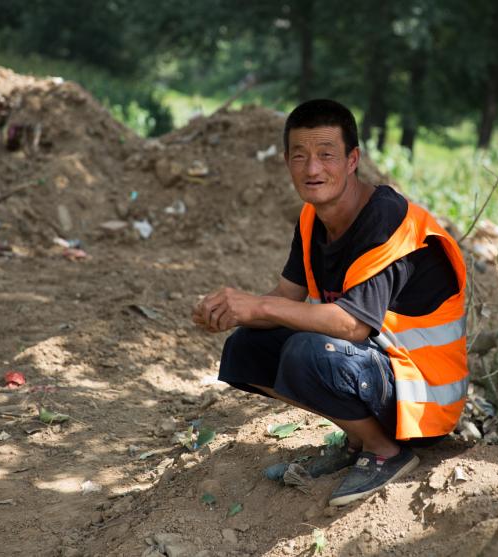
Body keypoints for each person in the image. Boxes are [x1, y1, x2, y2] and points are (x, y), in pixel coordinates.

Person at [192, 99, 468, 506]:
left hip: (424, 399)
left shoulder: (387, 221)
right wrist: (233, 310)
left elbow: (352, 326)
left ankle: (386, 451)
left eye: (326, 155)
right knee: (246, 346)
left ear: (353, 159)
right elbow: (287, 296)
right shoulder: (312, 218)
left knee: (308, 349)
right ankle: (358, 439)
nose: (312, 169)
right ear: (286, 161)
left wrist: (259, 307)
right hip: (379, 371)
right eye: (300, 156)